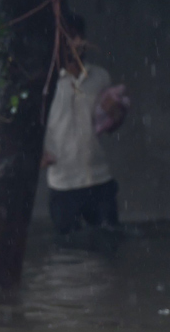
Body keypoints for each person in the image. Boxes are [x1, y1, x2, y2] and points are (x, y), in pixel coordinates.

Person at [42, 19, 128, 245]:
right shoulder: (46, 84)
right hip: (63, 186)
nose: (75, 43)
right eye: (68, 38)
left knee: (109, 251)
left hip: (99, 181)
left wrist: (116, 113)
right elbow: (33, 129)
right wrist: (37, 154)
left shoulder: (100, 77)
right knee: (67, 256)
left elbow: (110, 126)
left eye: (78, 37)